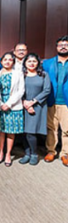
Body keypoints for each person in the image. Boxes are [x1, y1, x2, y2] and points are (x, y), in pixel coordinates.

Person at [19, 53, 51, 166]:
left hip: (38, 106)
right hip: (22, 105)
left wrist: (32, 102)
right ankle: (27, 153)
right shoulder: (21, 75)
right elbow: (17, 90)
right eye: (29, 61)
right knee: (24, 132)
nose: (31, 63)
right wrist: (24, 103)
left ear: (38, 63)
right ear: (25, 63)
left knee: (31, 133)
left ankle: (34, 154)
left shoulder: (43, 75)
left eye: (34, 61)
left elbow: (47, 90)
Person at [0, 52, 25, 167]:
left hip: (14, 106)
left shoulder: (18, 74)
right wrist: (1, 103)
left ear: (13, 62)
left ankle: (8, 154)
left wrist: (9, 104)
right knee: (1, 131)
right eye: (5, 59)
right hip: (0, 105)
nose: (7, 61)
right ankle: (1, 153)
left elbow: (21, 91)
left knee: (11, 132)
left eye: (10, 60)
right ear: (1, 61)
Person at [43, 35, 68, 166]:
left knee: (67, 130)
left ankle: (65, 153)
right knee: (51, 128)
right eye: (60, 45)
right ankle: (51, 151)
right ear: (56, 47)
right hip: (51, 100)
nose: (63, 47)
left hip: (66, 102)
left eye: (66, 45)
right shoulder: (47, 63)